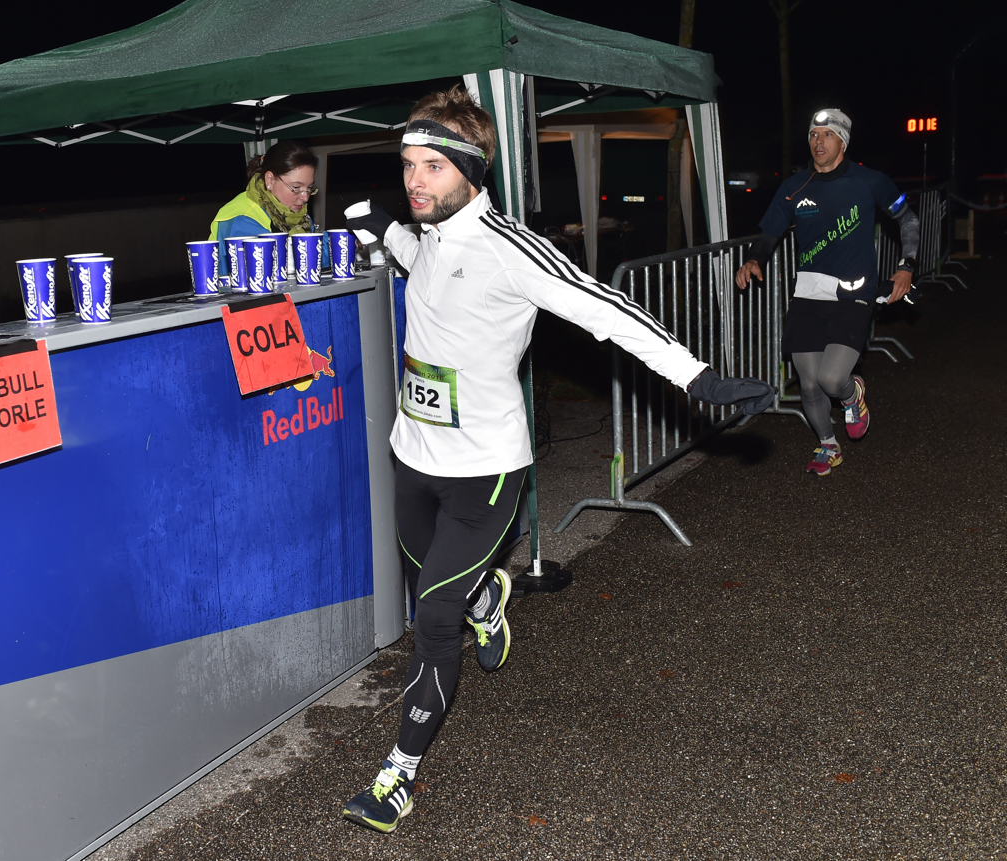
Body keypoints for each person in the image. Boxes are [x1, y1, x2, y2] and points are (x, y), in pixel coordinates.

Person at [341, 85, 774, 835]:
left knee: (431, 618)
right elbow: (419, 261)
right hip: (412, 457)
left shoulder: (514, 250)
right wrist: (384, 228)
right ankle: (486, 599)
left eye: (431, 168)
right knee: (436, 589)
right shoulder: (429, 232)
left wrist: (698, 378)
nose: (414, 181)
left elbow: (607, 308)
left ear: (472, 172)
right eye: (407, 165)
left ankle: (398, 775)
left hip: (485, 470)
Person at [734, 109, 919, 476]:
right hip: (808, 293)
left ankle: (853, 395)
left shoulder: (870, 181)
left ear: (843, 141)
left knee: (831, 380)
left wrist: (907, 265)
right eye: (813, 135)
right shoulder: (794, 188)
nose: (818, 142)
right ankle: (828, 445)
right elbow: (770, 234)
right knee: (808, 383)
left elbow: (907, 219)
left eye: (827, 135)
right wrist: (754, 260)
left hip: (854, 293)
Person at [208, 140, 318, 240]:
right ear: (270, 180)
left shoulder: (296, 214)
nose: (305, 197)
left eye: (309, 188)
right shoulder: (243, 220)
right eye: (296, 188)